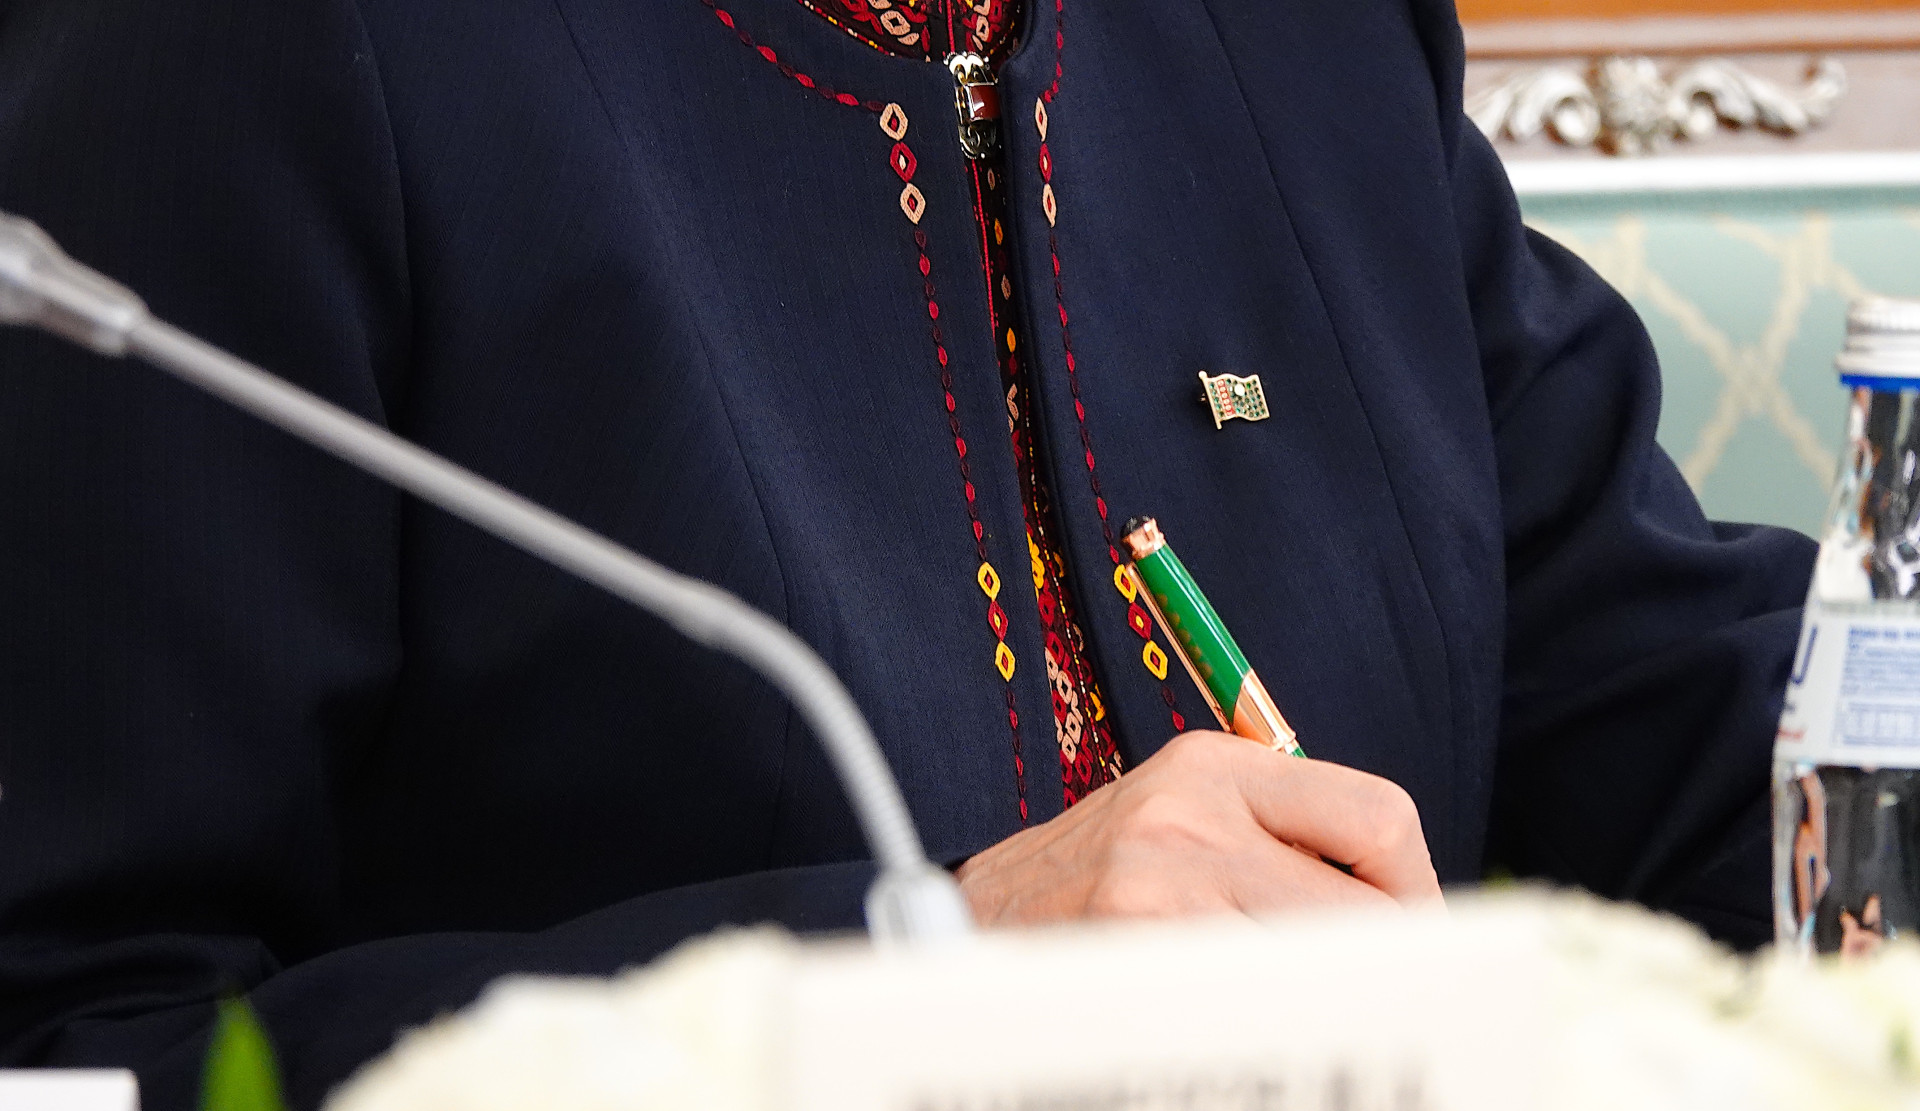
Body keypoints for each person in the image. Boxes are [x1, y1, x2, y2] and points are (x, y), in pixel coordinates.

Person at [0, 0, 1815, 1107]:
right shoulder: (241, 46)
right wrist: (917, 963)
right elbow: (74, 1040)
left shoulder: (1310, 35)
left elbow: (1694, 724)